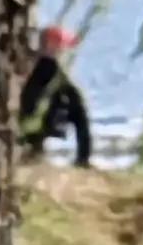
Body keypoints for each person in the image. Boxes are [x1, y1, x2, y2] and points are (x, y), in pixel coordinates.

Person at [21, 26, 94, 167]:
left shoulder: (30, 66)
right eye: (62, 47)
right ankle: (83, 159)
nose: (65, 52)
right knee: (79, 113)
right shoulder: (52, 73)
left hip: (29, 130)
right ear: (52, 47)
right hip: (38, 125)